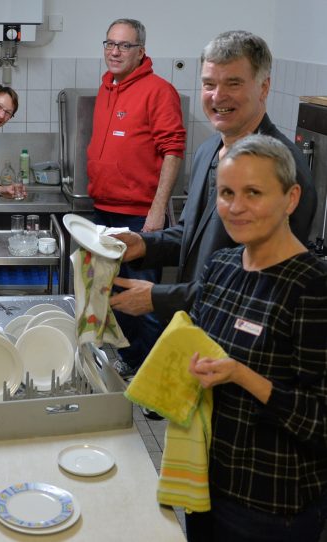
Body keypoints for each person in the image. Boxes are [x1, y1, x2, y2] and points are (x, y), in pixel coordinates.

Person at [110, 31, 317, 327]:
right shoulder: (209, 149)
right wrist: (144, 245)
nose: (218, 96)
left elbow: (265, 281)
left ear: (264, 87)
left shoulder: (283, 167)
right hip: (197, 330)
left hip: (246, 343)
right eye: (209, 84)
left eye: (233, 83)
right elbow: (192, 234)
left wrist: (162, 297)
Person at [185, 134, 327, 541]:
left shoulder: (313, 287)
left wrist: (242, 375)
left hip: (272, 506)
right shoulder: (220, 267)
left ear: (291, 198)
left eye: (253, 192)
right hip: (206, 484)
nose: (236, 207)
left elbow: (321, 421)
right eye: (226, 192)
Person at [87, 18, 186, 374]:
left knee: (146, 298)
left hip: (139, 216)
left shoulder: (159, 91)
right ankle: (132, 363)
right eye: (109, 43)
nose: (114, 51)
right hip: (104, 210)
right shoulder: (107, 87)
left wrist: (157, 211)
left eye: (124, 45)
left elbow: (173, 150)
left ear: (141, 51)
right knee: (113, 292)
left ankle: (155, 378)